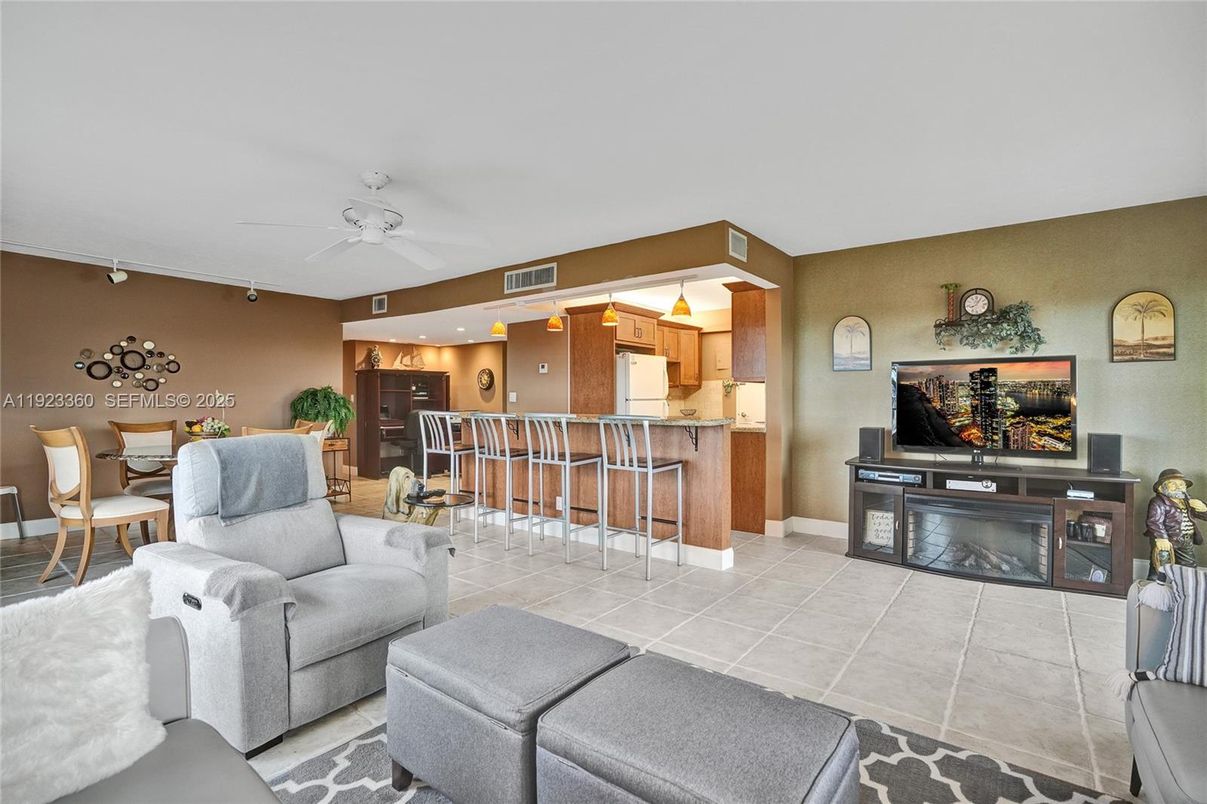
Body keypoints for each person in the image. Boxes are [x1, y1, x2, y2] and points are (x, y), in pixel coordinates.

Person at [1145, 468, 1206, 578]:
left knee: (1188, 567)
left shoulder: (1187, 501)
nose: (1178, 487)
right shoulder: (1158, 502)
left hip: (1186, 540)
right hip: (1167, 540)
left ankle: (1186, 586)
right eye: (1173, 484)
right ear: (1161, 488)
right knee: (1160, 566)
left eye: (1181, 484)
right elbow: (1154, 521)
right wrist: (1161, 538)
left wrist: (1203, 508)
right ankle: (1154, 585)